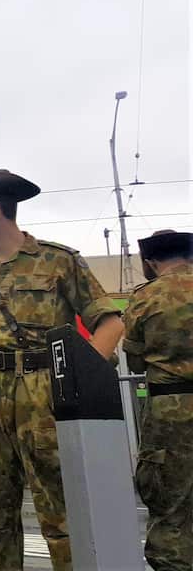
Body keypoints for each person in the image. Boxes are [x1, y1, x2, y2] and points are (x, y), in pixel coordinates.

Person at [0, 169, 124, 570]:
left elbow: (110, 323)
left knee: (61, 510)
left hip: (45, 393)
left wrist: (80, 383)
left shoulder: (59, 261)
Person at [122, 229, 193, 571]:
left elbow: (134, 360)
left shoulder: (145, 298)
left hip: (170, 411)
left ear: (150, 262)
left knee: (170, 503)